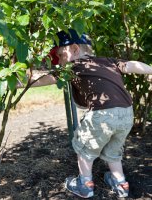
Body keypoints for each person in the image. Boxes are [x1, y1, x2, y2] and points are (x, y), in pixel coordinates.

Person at [28, 29, 152, 198]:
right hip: (126, 113)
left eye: (61, 56)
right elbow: (132, 65)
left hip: (102, 115)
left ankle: (85, 184)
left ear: (74, 49)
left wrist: (17, 83)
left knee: (85, 149)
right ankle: (120, 183)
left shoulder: (72, 67)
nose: (60, 62)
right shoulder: (107, 61)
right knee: (113, 149)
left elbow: (44, 79)